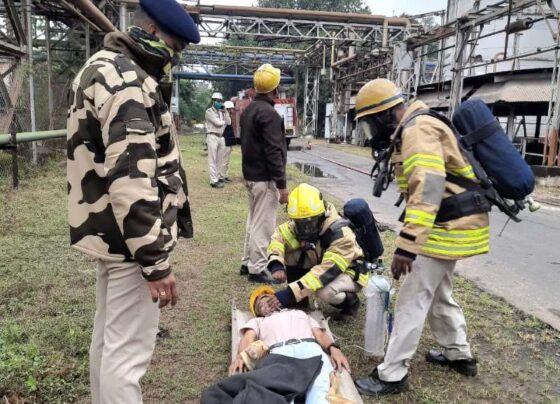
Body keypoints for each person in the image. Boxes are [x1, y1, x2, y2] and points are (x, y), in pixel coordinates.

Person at [66, 1, 199, 402]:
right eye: (175, 49)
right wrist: (155, 262)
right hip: (130, 243)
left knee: (109, 343)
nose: (174, 60)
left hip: (110, 234)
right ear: (154, 33)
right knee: (126, 357)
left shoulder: (101, 66)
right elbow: (131, 180)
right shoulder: (128, 82)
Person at [353, 79, 490, 395]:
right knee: (439, 290)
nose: (371, 132)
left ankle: (392, 374)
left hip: (446, 225)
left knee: (412, 299)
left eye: (370, 123)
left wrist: (407, 246)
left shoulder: (417, 131)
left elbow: (427, 190)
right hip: (456, 221)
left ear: (386, 115)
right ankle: (459, 353)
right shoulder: (418, 125)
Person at [228, 286, 350, 403]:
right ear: (257, 312)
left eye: (267, 298)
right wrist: (241, 356)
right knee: (280, 394)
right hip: (278, 353)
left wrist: (334, 349)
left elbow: (320, 335)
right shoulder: (258, 321)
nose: (264, 302)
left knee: (320, 390)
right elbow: (248, 337)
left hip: (310, 349)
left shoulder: (301, 314)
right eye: (259, 303)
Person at [265, 183, 367, 321]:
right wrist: (276, 264)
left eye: (309, 223)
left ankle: (351, 303)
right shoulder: (298, 223)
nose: (305, 229)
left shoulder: (342, 235)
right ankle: (300, 302)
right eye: (300, 223)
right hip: (322, 264)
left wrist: (289, 293)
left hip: (348, 271)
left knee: (324, 291)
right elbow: (278, 238)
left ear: (322, 215)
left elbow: (325, 272)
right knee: (292, 252)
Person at [240, 64, 288, 283]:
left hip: (251, 176)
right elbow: (273, 151)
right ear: (275, 89)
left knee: (253, 220)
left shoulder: (248, 110)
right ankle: (257, 268)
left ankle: (247, 261)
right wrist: (282, 184)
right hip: (265, 178)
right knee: (265, 224)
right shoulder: (270, 114)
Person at [205, 92, 231, 188]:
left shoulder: (222, 112)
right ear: (213, 101)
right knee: (212, 159)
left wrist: (226, 112)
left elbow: (229, 122)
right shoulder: (209, 112)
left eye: (220, 101)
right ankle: (213, 181)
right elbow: (218, 123)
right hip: (212, 136)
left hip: (221, 137)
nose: (219, 102)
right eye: (217, 101)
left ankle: (218, 177)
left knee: (220, 159)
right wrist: (223, 122)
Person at [221, 100, 236, 183]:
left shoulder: (228, 117)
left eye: (232, 109)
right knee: (224, 160)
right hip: (225, 141)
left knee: (227, 160)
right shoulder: (224, 118)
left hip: (228, 142)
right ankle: (222, 177)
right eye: (230, 109)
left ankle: (225, 175)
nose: (232, 111)